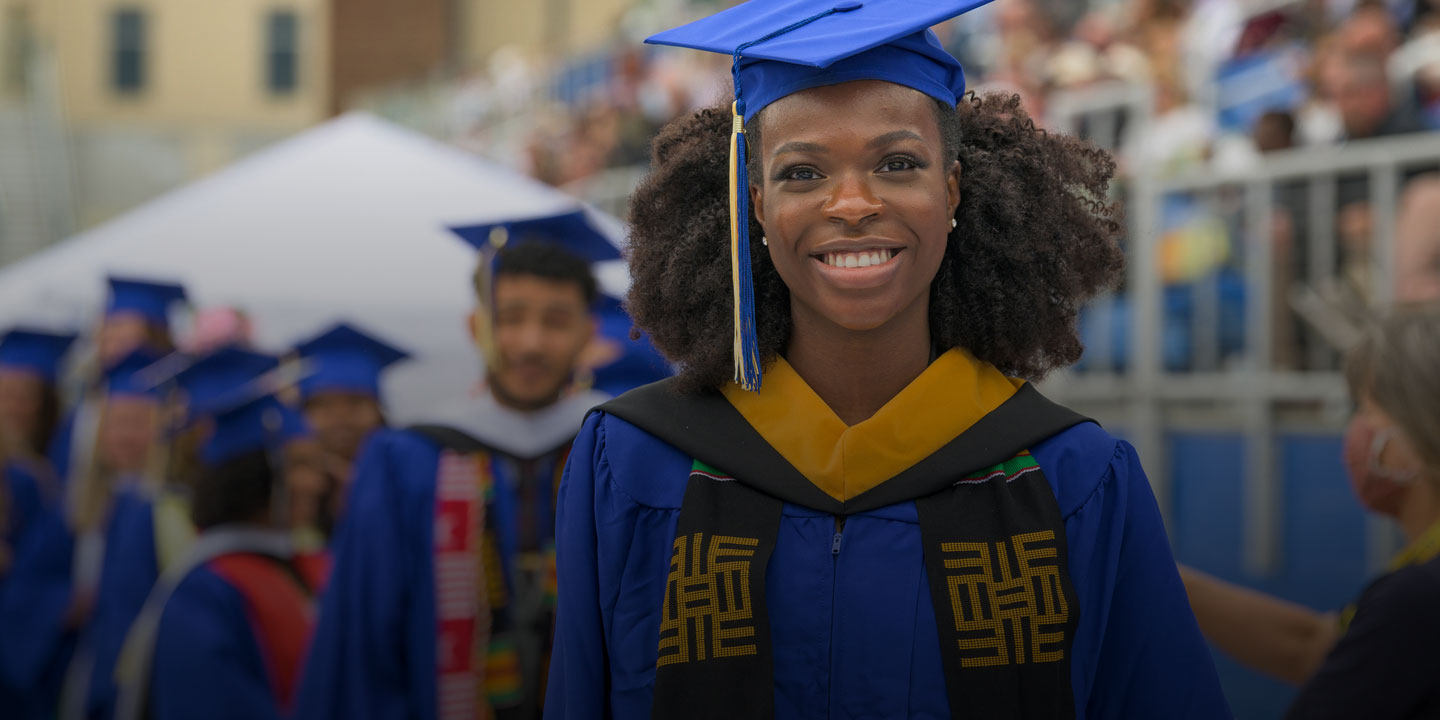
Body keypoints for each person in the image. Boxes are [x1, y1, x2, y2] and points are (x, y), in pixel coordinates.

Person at [545, 1, 1231, 717]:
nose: (851, 203)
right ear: (754, 203)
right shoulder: (632, 466)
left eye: (898, 163)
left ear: (952, 189)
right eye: (801, 173)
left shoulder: (1073, 481)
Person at [298, 210, 615, 720]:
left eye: (555, 321)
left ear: (588, 333)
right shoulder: (409, 457)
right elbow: (366, 644)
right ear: (476, 326)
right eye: (510, 318)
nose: (531, 343)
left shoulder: (619, 449)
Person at [1182, 304, 1440, 719]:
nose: (1354, 431)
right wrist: (1156, 571)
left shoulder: (1418, 599)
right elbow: (1317, 647)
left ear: (1416, 431)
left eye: (1365, 410)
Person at [112, 372, 320, 720]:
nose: (316, 481)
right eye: (300, 465)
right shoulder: (206, 592)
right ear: (254, 475)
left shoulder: (308, 565)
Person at [0, 348, 168, 720]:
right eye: (116, 423)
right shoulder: (77, 510)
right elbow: (26, 589)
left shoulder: (169, 509)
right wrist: (65, 603)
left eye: (140, 423)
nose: (126, 436)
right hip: (79, 672)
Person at [50, 278, 187, 488]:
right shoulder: (83, 411)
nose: (110, 342)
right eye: (106, 333)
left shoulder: (183, 407)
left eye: (121, 331)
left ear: (155, 334)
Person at [0, 328, 75, 711]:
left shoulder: (47, 475)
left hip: (22, 646)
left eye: (24, 397)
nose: (12, 406)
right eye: (5, 394)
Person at [290, 321, 410, 541]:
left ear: (379, 410)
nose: (341, 419)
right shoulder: (288, 498)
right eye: (324, 404)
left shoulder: (409, 481)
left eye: (355, 402)